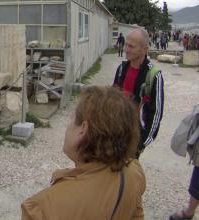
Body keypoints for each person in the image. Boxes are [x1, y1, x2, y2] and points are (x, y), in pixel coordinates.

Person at [21, 86, 146, 219]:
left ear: (83, 129)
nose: (68, 125)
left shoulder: (42, 208)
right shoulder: (133, 172)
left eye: (71, 119)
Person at [113, 28, 164, 156]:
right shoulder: (121, 69)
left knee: (127, 173)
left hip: (134, 137)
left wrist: (141, 144)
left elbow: (156, 114)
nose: (126, 49)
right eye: (126, 44)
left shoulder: (153, 76)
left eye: (131, 46)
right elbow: (111, 98)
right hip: (114, 131)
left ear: (144, 49)